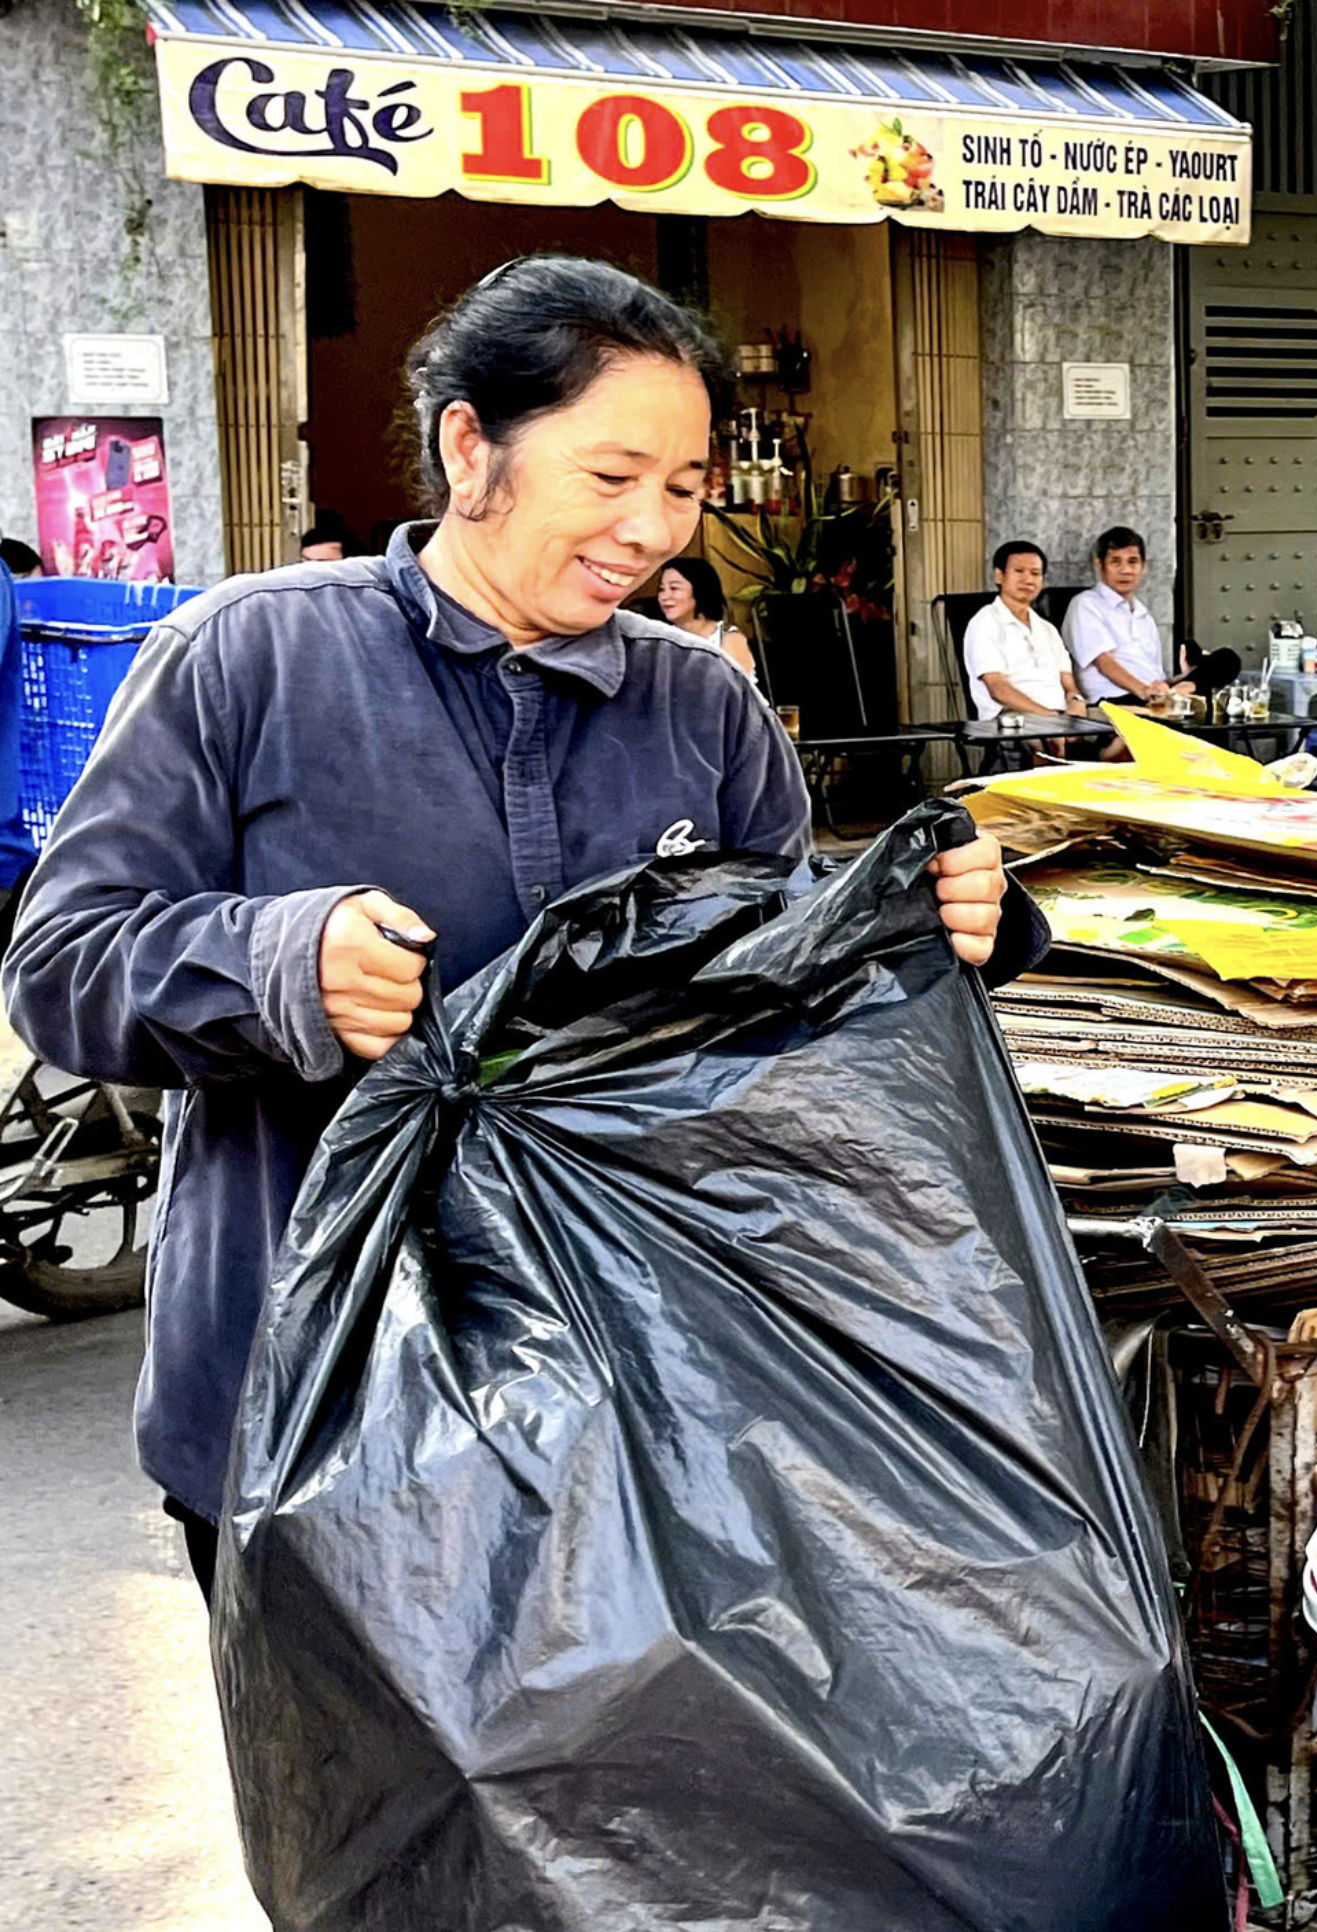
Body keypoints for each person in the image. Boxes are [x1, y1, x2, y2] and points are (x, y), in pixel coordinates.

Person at [0, 255, 1034, 1598]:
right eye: (612, 479)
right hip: (314, 1404)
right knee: (359, 1811)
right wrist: (276, 965)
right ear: (470, 446)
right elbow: (64, 961)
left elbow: (791, 1006)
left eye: (684, 489)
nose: (652, 529)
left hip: (638, 1411)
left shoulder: (701, 707)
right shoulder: (251, 654)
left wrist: (943, 922)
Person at [964, 539, 1091, 734]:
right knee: (1052, 740)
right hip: (1012, 717)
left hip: (1061, 715)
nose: (1028, 580)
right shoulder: (985, 623)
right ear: (999, 576)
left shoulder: (1047, 629)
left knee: (1134, 728)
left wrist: (1076, 701)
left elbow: (1068, 682)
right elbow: (998, 689)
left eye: (1035, 574)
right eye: (1019, 572)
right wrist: (1050, 717)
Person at [1063, 526, 1172, 705]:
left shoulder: (1143, 614)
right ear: (1100, 564)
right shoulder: (1086, 604)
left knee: (1224, 660)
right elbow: (1103, 662)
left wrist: (1174, 683)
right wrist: (1143, 691)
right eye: (1116, 562)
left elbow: (1154, 670)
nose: (1125, 570)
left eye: (1133, 562)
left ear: (1143, 566)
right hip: (1116, 698)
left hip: (1154, 697)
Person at [655, 554, 758, 680]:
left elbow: (742, 692)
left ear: (699, 590)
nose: (664, 596)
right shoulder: (659, 639)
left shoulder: (728, 639)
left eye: (674, 588)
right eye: (661, 589)